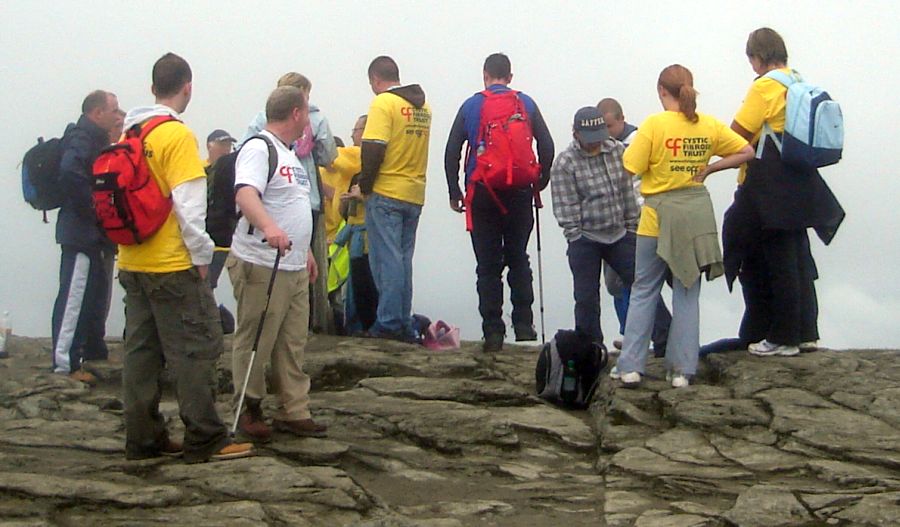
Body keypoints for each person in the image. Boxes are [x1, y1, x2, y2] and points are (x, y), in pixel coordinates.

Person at [118, 52, 253, 462]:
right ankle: (205, 436)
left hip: (132, 260)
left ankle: (142, 437)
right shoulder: (175, 136)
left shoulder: (131, 134)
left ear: (152, 87)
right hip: (172, 263)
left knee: (141, 352)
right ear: (187, 87)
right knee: (197, 347)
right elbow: (189, 207)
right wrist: (200, 256)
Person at [615, 64, 753, 388]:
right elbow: (746, 151)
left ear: (662, 91)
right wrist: (710, 169)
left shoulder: (654, 125)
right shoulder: (709, 125)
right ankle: (682, 370)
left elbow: (629, 167)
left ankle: (631, 366)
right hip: (694, 215)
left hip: (656, 217)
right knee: (687, 292)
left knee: (644, 289)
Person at [719, 27, 844, 357]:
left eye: (751, 59)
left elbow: (737, 136)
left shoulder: (764, 86)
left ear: (757, 57)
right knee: (799, 255)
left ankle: (783, 337)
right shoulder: (798, 81)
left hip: (770, 184)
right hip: (799, 178)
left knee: (778, 258)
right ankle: (806, 333)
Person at [228, 86, 327, 442]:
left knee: (292, 340)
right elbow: (245, 193)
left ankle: (294, 409)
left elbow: (294, 204)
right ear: (297, 113)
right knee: (256, 336)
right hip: (262, 263)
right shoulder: (259, 147)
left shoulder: (290, 156)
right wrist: (270, 227)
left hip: (294, 265)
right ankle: (249, 407)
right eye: (307, 113)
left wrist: (307, 252)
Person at [444, 52, 554, 352]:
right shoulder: (526, 103)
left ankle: (493, 331)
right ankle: (524, 325)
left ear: (485, 75)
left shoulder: (471, 105)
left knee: (488, 265)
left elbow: (452, 149)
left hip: (482, 192)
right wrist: (538, 182)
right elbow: (547, 144)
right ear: (510, 76)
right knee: (518, 256)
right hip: (519, 192)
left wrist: (455, 191)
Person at [240, 73, 338, 333]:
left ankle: (287, 325)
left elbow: (242, 149)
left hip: (278, 200)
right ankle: (312, 324)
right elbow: (329, 156)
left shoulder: (260, 121)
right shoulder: (316, 120)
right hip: (307, 200)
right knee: (311, 271)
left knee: (298, 265)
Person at [550, 106, 639, 351]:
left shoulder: (617, 150)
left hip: (620, 234)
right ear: (575, 134)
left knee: (642, 285)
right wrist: (575, 236)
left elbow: (627, 191)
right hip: (585, 239)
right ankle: (591, 349)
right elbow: (565, 205)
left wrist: (631, 228)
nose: (595, 144)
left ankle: (662, 340)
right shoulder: (565, 163)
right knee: (587, 298)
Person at [359, 56, 431, 343]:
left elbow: (374, 147)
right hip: (414, 191)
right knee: (403, 260)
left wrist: (365, 184)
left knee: (387, 260)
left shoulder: (383, 104)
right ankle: (401, 320)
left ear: (376, 79)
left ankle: (388, 322)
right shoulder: (423, 106)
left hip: (387, 189)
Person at [51, 90, 121, 383]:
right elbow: (69, 172)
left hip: (86, 233)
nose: (117, 115)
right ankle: (65, 364)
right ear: (97, 112)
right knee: (74, 296)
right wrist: (94, 209)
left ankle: (77, 355)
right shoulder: (82, 138)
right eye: (113, 109)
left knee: (85, 294)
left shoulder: (91, 138)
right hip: (80, 233)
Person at [597, 98, 672, 356]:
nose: (606, 132)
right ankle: (631, 332)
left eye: (609, 125)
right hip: (612, 221)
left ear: (621, 119)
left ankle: (654, 334)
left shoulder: (640, 141)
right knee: (616, 282)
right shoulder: (603, 147)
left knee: (634, 279)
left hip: (639, 219)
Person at [204, 129, 237, 291]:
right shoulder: (198, 170)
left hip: (230, 244)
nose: (226, 149)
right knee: (205, 288)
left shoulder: (237, 173)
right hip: (206, 243)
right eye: (222, 144)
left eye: (229, 145)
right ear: (209, 146)